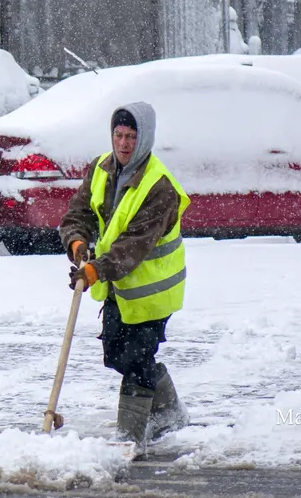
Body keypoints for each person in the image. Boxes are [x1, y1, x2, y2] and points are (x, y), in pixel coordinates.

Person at [58, 102, 190, 451]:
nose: (124, 143)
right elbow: (79, 212)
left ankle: (129, 437)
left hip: (153, 290)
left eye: (131, 136)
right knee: (117, 354)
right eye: (118, 135)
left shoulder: (159, 186)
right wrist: (77, 242)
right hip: (120, 287)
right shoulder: (101, 168)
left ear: (144, 138)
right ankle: (170, 411)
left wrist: (95, 270)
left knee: (135, 359)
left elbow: (134, 244)